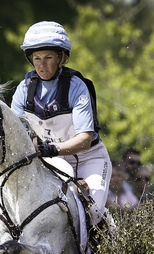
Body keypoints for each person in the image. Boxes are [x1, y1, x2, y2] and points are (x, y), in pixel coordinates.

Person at [11, 21, 112, 231]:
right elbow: (16, 132)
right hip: (53, 160)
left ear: (61, 58)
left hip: (89, 159)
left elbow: (84, 140)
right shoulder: (24, 89)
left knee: (92, 212)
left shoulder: (77, 87)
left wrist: (53, 148)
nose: (42, 65)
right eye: (37, 58)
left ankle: (103, 253)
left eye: (48, 57)